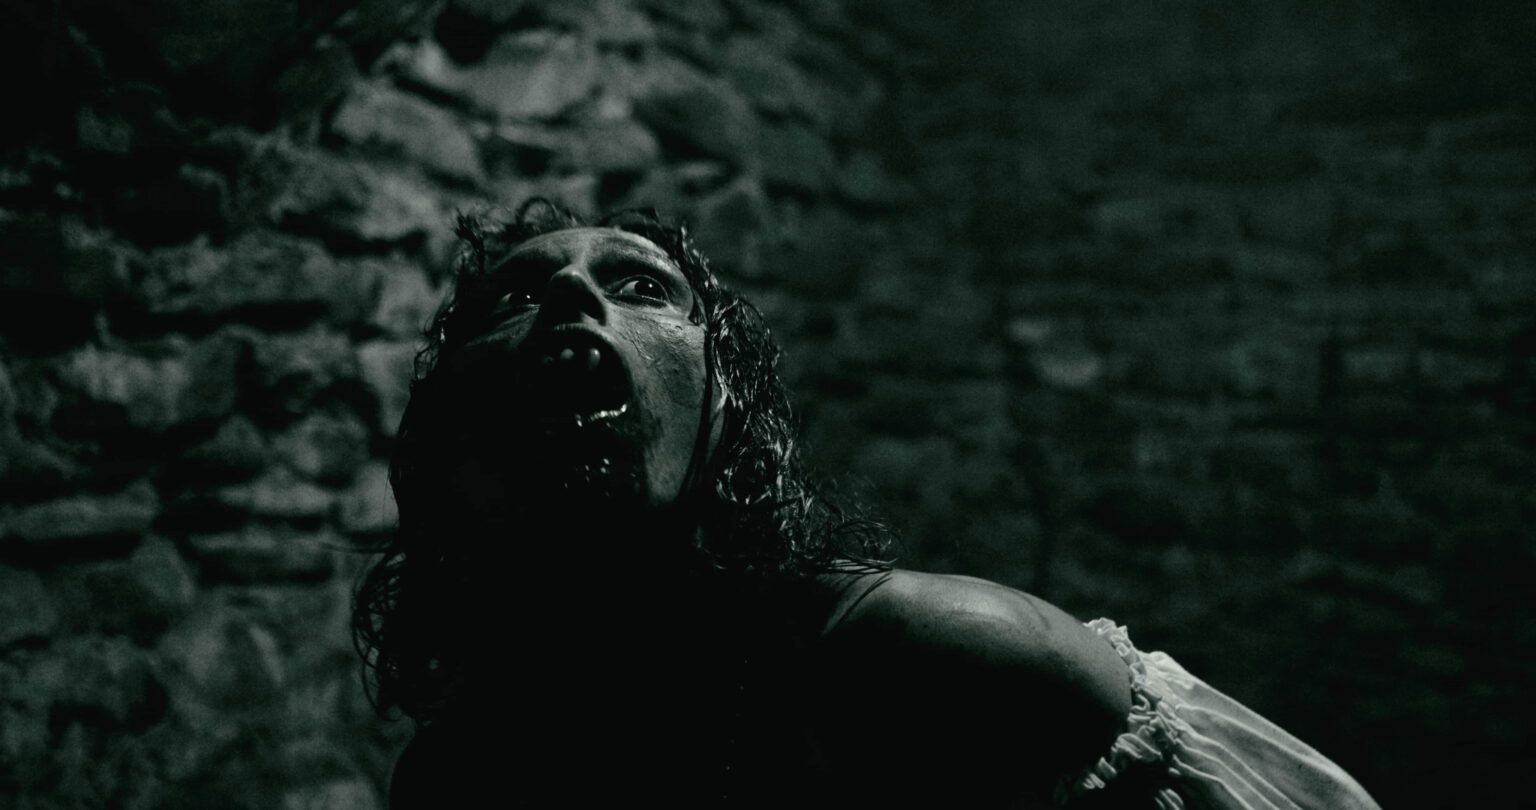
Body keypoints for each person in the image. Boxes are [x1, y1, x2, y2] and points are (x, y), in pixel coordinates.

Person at [352, 200, 1382, 809]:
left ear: (725, 405)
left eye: (643, 287)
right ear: (450, 428)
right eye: (516, 297)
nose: (576, 299)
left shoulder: (939, 660)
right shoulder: (459, 770)